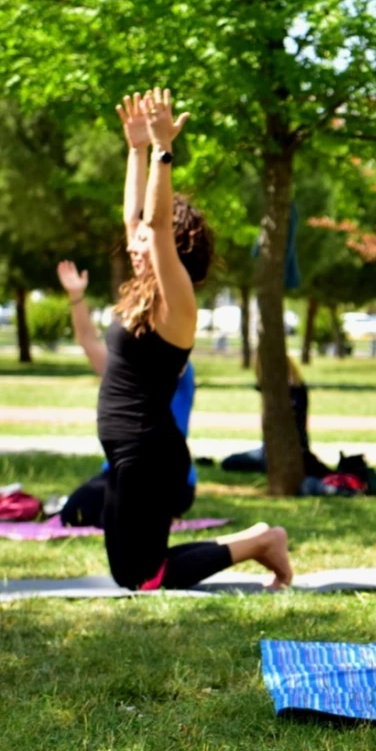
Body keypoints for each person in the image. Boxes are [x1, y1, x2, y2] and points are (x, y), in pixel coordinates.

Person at [97, 89, 293, 591]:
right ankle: (256, 539)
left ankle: (260, 544)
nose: (136, 239)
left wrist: (164, 151)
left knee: (144, 580)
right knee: (128, 575)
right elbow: (138, 219)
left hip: (150, 453)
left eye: (148, 237)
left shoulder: (175, 301)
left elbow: (156, 226)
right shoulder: (142, 292)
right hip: (125, 450)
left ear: (173, 248)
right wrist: (135, 150)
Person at [54, 260, 197, 527]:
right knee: (76, 512)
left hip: (165, 477)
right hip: (121, 471)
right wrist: (76, 295)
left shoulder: (174, 360)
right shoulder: (127, 365)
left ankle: (158, 515)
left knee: (90, 514)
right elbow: (88, 340)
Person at [220, 355, 329, 478]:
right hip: (269, 449)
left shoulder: (295, 392)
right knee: (230, 461)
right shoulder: (287, 390)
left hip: (288, 450)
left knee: (236, 463)